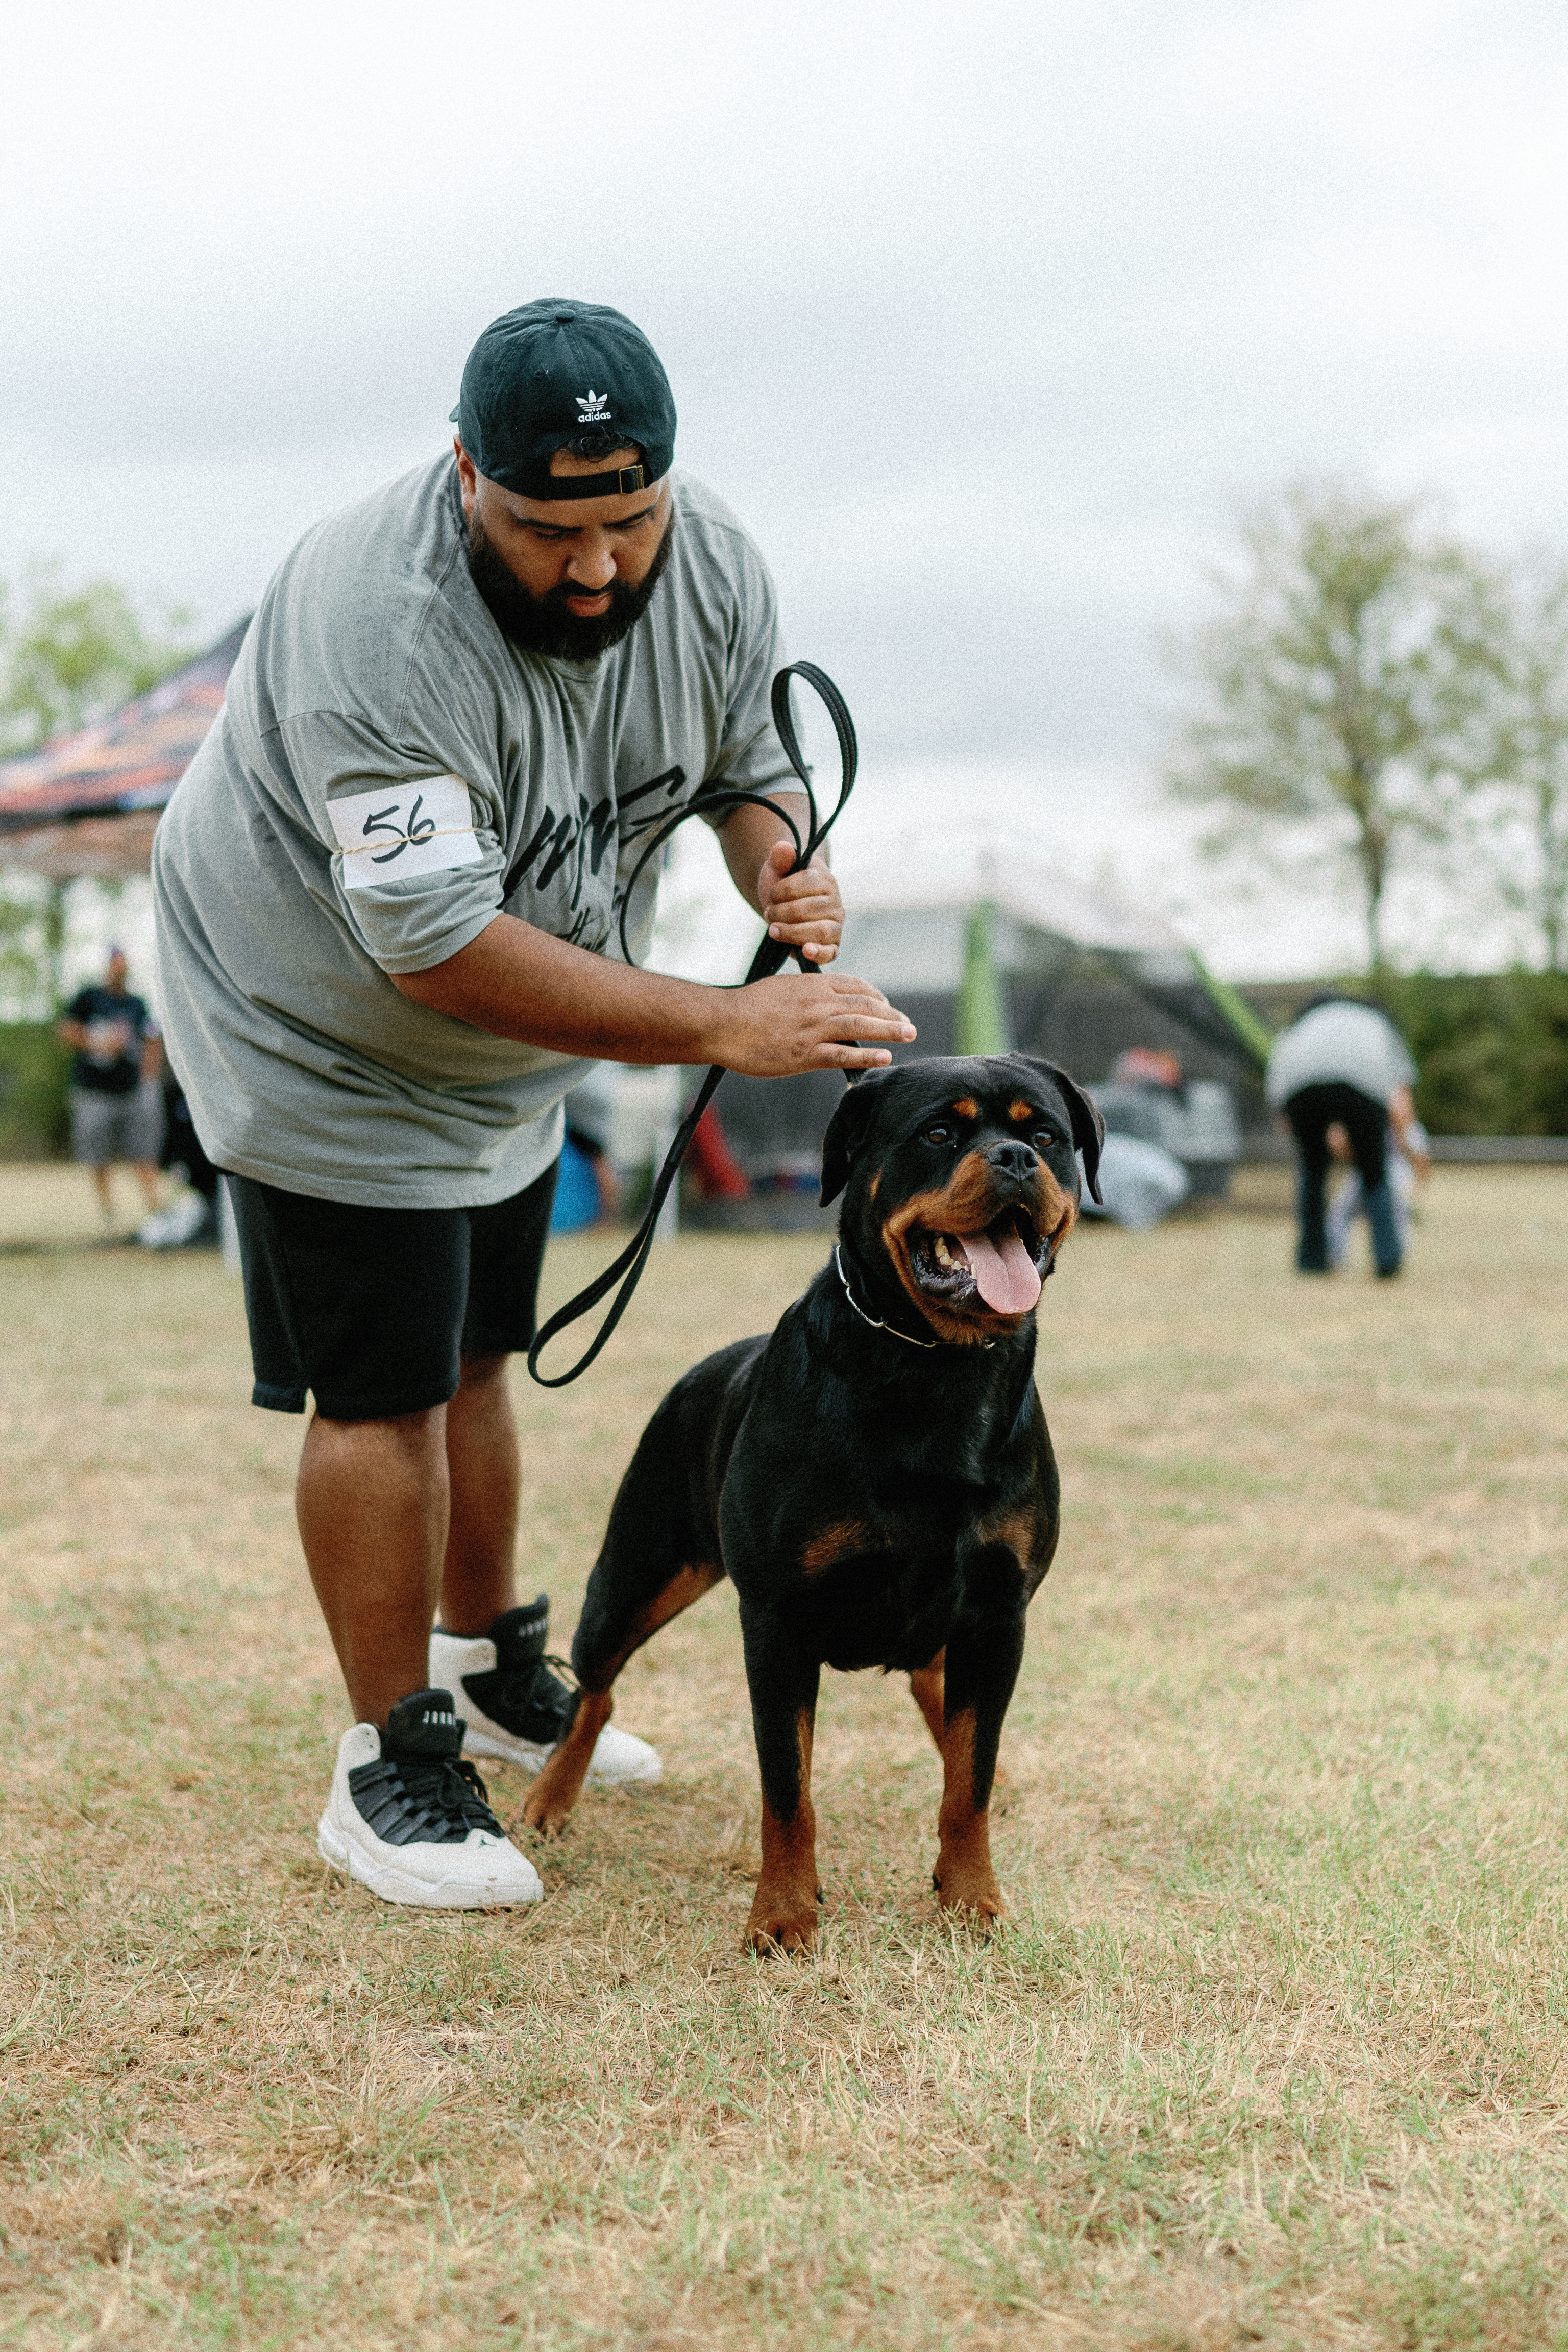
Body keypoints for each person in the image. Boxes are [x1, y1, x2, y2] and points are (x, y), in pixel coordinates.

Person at [152, 298, 914, 1912]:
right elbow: (428, 949)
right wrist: (727, 1023)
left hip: (516, 1032)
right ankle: (386, 1766)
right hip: (319, 1026)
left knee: (480, 1350)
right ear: (463, 475)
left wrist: (776, 854)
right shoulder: (375, 619)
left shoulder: (707, 560)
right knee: (380, 1393)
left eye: (626, 521)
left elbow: (737, 757)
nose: (595, 570)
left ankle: (489, 1669)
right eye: (545, 528)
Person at [1264, 996, 1430, 1277]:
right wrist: (1411, 1147)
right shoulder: (1377, 1023)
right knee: (1375, 1173)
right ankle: (1387, 1259)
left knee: (1313, 1171)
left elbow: (1278, 1082)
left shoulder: (1305, 1023)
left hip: (1297, 1084)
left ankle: (1312, 1259)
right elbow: (1401, 1102)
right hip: (1363, 1082)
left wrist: (1293, 1121)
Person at [57, 947, 165, 1224]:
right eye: (116, 966)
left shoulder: (137, 1004)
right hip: (94, 1092)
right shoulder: (89, 998)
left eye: (124, 966)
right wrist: (97, 1043)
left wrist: (149, 1076)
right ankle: (108, 1210)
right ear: (108, 968)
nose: (121, 971)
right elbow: (66, 1031)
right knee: (98, 1153)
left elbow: (151, 1039)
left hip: (130, 1091)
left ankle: (156, 1207)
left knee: (143, 1150)